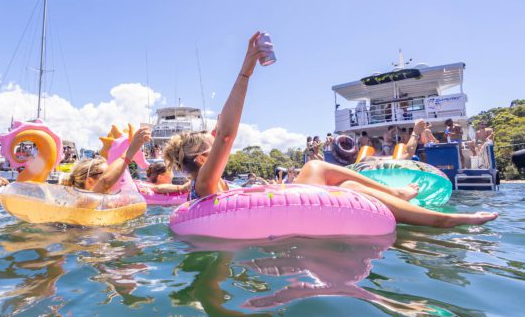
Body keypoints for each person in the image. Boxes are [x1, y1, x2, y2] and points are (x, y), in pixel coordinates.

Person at [162, 32, 497, 228]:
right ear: (205, 156)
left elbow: (221, 132)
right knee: (315, 167)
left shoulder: (212, 183)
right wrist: (246, 70)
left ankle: (408, 204)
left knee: (348, 181)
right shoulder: (205, 185)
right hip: (275, 220)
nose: (221, 142)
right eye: (214, 142)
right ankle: (442, 220)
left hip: (278, 212)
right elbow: (226, 133)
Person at [65, 127, 151, 193]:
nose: (114, 175)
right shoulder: (83, 204)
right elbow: (105, 182)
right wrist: (130, 150)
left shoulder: (106, 203)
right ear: (90, 181)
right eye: (108, 173)